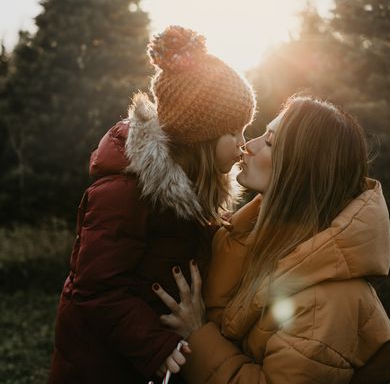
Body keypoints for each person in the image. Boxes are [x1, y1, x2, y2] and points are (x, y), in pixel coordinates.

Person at [48, 26, 256, 384]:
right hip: (99, 364)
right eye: (235, 131)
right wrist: (154, 346)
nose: (243, 143)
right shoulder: (125, 193)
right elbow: (96, 288)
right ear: (201, 136)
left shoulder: (198, 191)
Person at [153, 95, 390, 384]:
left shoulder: (325, 303)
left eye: (270, 142)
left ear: (300, 169)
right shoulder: (249, 240)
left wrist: (197, 335)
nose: (246, 146)